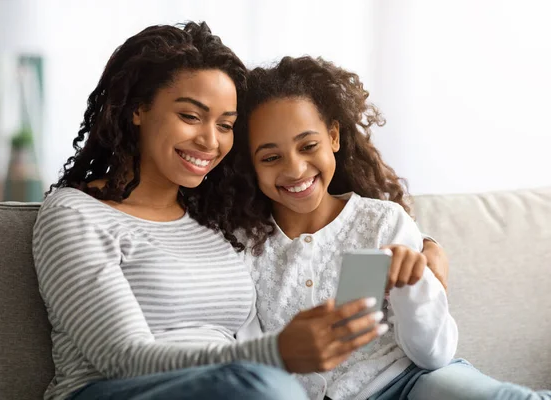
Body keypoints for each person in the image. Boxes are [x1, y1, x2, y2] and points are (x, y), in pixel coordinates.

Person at [32, 23, 394, 400]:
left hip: (237, 387)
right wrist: (276, 353)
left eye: (225, 125)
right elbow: (123, 358)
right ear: (138, 108)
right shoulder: (75, 214)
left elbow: (312, 218)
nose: (210, 141)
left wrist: (423, 247)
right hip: (115, 390)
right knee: (268, 388)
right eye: (191, 117)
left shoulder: (215, 217)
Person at [223, 55, 551, 400]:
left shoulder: (382, 222)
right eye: (271, 157)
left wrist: (413, 284)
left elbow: (433, 355)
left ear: (333, 136)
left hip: (410, 383)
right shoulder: (245, 246)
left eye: (309, 146)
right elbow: (251, 361)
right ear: (251, 163)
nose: (295, 169)